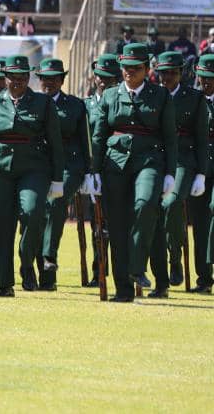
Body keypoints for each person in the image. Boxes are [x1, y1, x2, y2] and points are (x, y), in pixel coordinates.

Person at [90, 43, 177, 302]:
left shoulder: (160, 96)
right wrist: (93, 171)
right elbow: (99, 135)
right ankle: (123, 290)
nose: (129, 72)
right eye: (125, 67)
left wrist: (170, 172)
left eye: (135, 68)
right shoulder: (110, 95)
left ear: (147, 69)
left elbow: (170, 138)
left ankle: (137, 267)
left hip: (149, 159)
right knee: (117, 226)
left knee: (145, 204)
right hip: (115, 162)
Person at [0, 55, 64, 296]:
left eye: (23, 77)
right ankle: (5, 284)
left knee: (33, 212)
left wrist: (58, 179)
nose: (18, 82)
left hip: (33, 167)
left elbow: (55, 143)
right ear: (5, 79)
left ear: (29, 78)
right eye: (13, 78)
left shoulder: (43, 104)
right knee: (2, 225)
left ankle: (26, 262)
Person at [151, 52, 207, 297]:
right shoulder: (152, 95)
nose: (167, 78)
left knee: (172, 203)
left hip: (184, 160)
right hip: (157, 158)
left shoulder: (194, 98)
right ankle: (159, 270)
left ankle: (175, 256)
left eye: (172, 72)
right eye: (163, 73)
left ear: (182, 73)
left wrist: (202, 173)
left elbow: (202, 139)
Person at [34, 58, 88, 292]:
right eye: (45, 78)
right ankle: (42, 276)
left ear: (62, 80)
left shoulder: (76, 105)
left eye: (54, 78)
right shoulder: (31, 103)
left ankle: (49, 255)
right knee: (34, 211)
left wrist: (90, 172)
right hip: (40, 164)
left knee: (55, 202)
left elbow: (85, 139)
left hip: (69, 164)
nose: (49, 83)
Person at [83, 53, 121, 287]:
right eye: (100, 77)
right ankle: (98, 270)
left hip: (116, 168)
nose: (104, 81)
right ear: (94, 77)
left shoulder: (118, 102)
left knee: (114, 223)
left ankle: (119, 271)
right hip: (92, 172)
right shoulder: (85, 106)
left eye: (109, 78)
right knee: (96, 225)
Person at [190, 54, 214, 294]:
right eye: (203, 77)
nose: (206, 82)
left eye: (211, 78)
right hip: (199, 167)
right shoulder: (193, 100)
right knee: (199, 224)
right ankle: (204, 278)